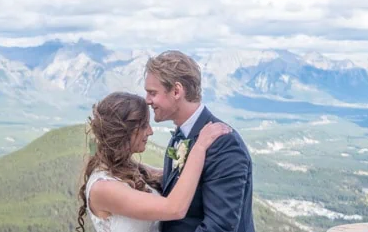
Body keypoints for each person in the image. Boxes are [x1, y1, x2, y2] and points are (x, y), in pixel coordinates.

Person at [77, 91, 231, 232]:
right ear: (124, 131)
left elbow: (173, 179)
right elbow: (175, 208)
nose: (150, 131)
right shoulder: (103, 188)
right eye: (144, 125)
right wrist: (200, 147)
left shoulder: (128, 168)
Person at [145, 50, 255, 232]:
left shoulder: (224, 143)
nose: (147, 100)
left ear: (177, 91)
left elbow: (219, 227)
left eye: (152, 93)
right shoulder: (182, 135)